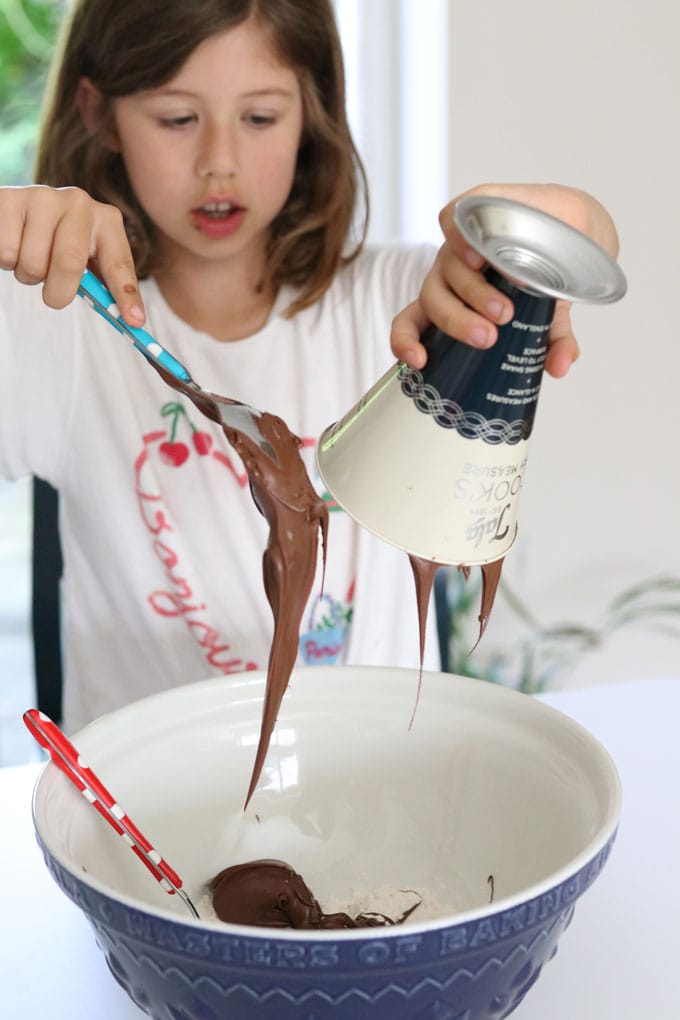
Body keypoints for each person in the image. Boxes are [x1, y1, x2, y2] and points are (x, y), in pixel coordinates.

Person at [0, 0, 619, 734]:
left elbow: (589, 229)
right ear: (98, 114)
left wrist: (539, 235)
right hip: (143, 829)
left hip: (384, 803)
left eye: (260, 117)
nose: (219, 161)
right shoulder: (55, 335)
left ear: (313, 109)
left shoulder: (401, 309)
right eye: (176, 119)